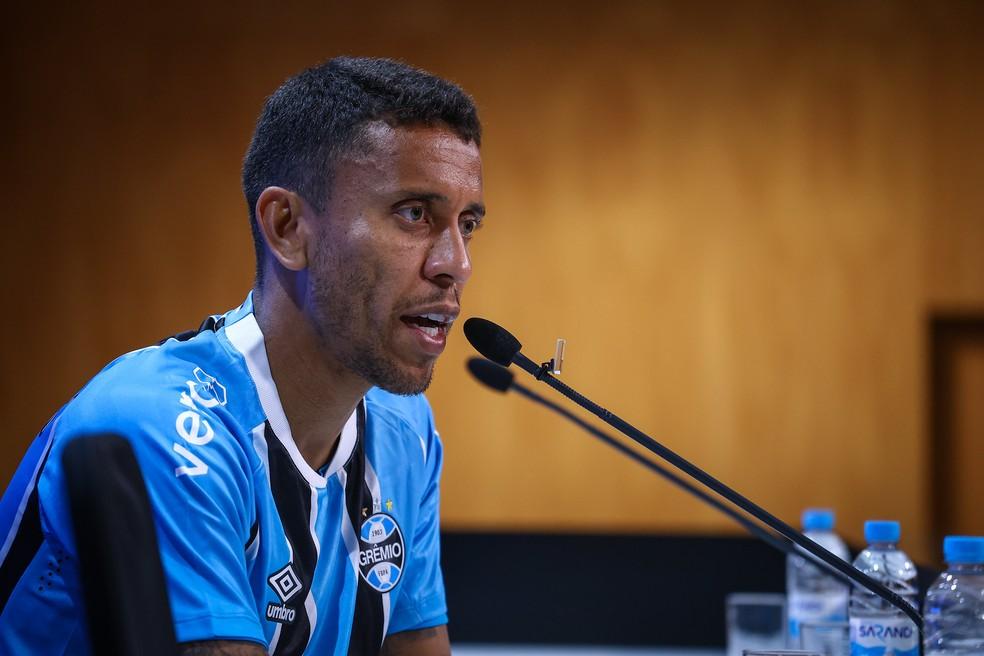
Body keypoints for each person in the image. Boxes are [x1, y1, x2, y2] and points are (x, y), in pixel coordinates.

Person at [0, 56, 485, 655]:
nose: (456, 264)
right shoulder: (161, 426)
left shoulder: (404, 428)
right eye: (414, 214)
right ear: (286, 227)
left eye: (467, 224)